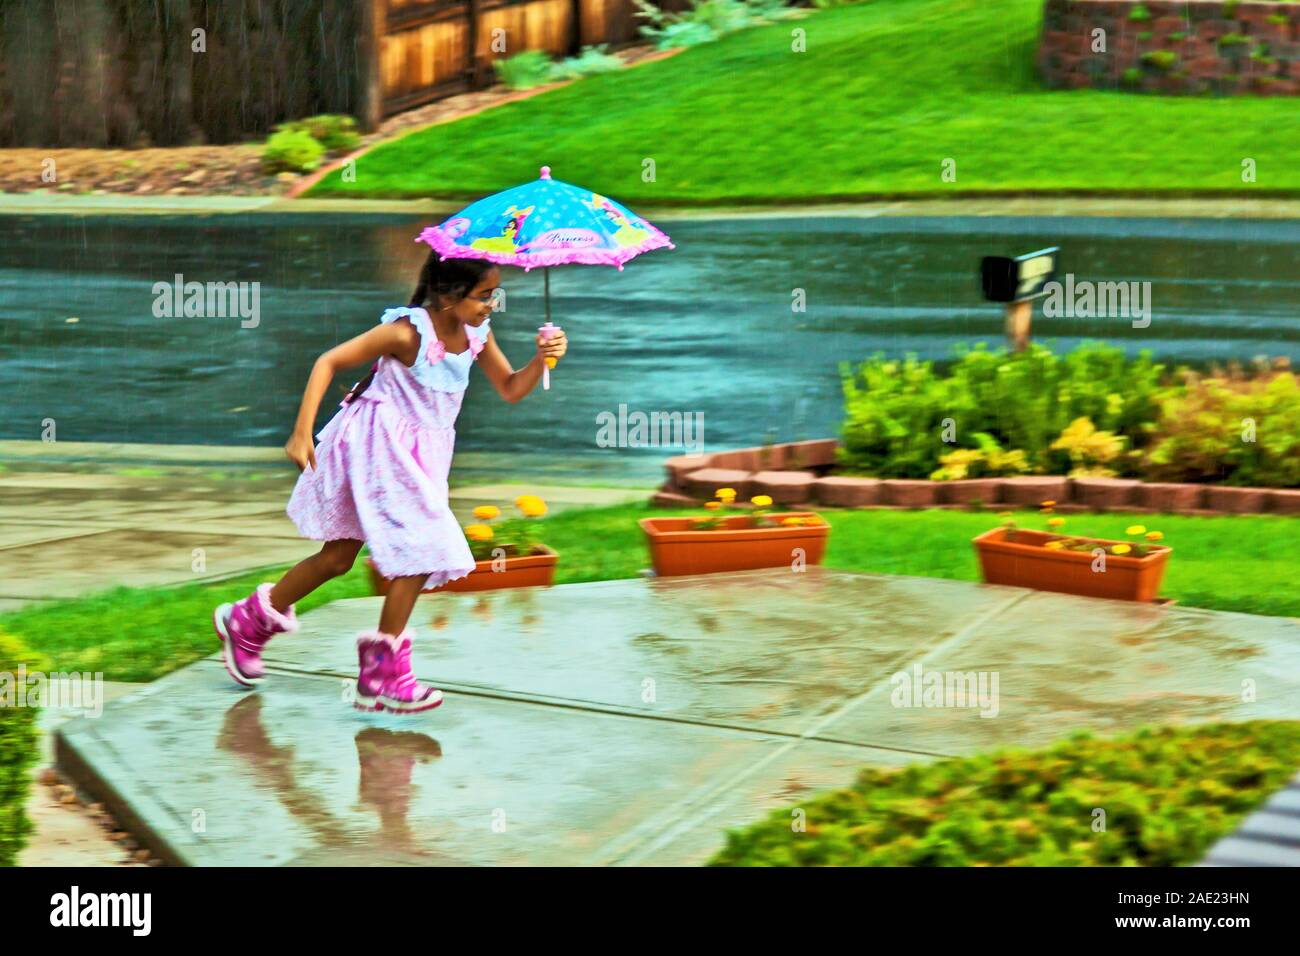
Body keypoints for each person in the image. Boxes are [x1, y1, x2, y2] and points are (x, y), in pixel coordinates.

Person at [212, 253, 567, 714]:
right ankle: (382, 672)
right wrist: (301, 431)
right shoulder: (405, 332)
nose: (491, 306)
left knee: (338, 558)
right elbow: (328, 362)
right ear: (448, 295)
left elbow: (512, 388)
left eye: (495, 295)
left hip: (421, 456)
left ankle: (247, 620)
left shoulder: (478, 333)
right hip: (376, 446)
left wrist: (541, 359)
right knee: (421, 548)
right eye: (484, 296)